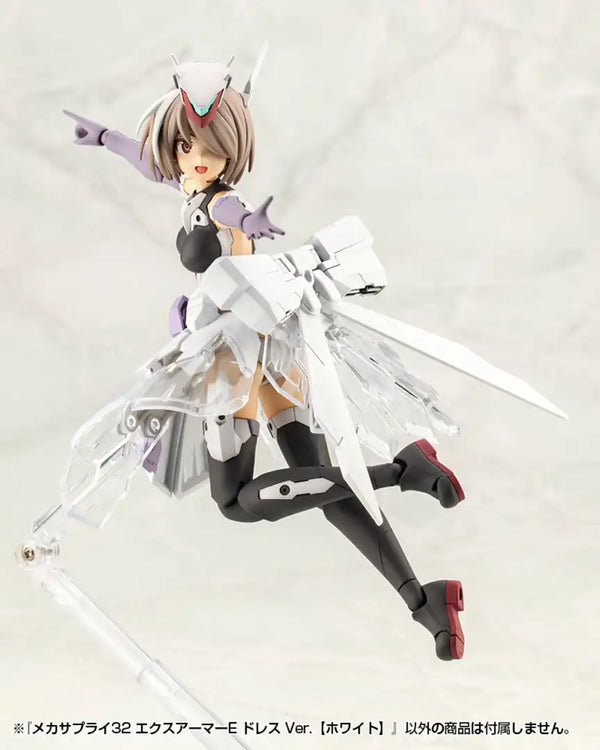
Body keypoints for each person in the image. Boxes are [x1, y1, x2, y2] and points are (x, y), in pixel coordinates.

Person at [63, 49, 466, 661]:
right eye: (187, 146)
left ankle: (402, 472)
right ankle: (422, 600)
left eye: (212, 149)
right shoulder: (191, 186)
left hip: (234, 362)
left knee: (235, 502)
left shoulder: (222, 203)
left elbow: (234, 212)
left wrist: (249, 222)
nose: (196, 159)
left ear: (234, 151)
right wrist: (105, 138)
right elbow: (154, 165)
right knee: (327, 489)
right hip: (272, 353)